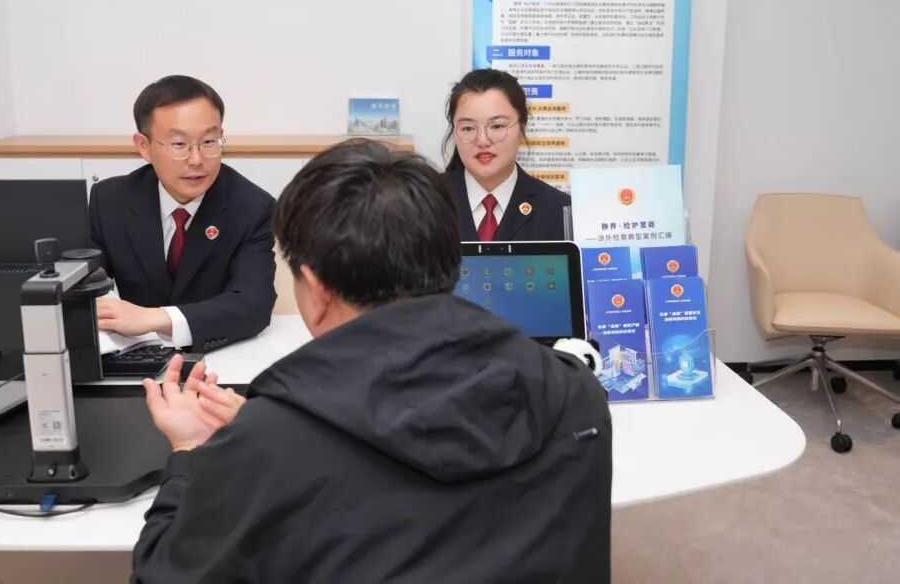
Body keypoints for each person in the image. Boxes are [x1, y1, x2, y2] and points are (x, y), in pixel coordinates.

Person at [132, 139, 612, 583]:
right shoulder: (574, 394)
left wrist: (193, 452)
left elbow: (161, 576)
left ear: (315, 289)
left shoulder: (273, 443)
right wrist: (276, 429)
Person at [89, 75, 275, 353]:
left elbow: (253, 304)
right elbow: (87, 287)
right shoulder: (110, 201)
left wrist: (157, 318)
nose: (197, 159)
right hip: (136, 356)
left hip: (222, 356)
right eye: (179, 144)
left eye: (209, 141)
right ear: (144, 146)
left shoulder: (251, 207)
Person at [443, 68, 571, 241]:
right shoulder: (425, 203)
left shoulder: (559, 210)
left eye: (497, 126)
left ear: (522, 127)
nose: (482, 141)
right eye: (468, 128)